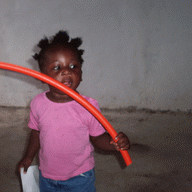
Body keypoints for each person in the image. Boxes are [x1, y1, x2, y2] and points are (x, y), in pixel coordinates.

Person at [19, 30, 130, 192]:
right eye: (57, 67)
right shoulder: (37, 103)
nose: (66, 71)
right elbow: (36, 132)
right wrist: (28, 156)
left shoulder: (89, 106)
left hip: (80, 176)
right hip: (47, 175)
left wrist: (116, 144)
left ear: (81, 73)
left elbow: (97, 138)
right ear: (42, 76)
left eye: (73, 66)